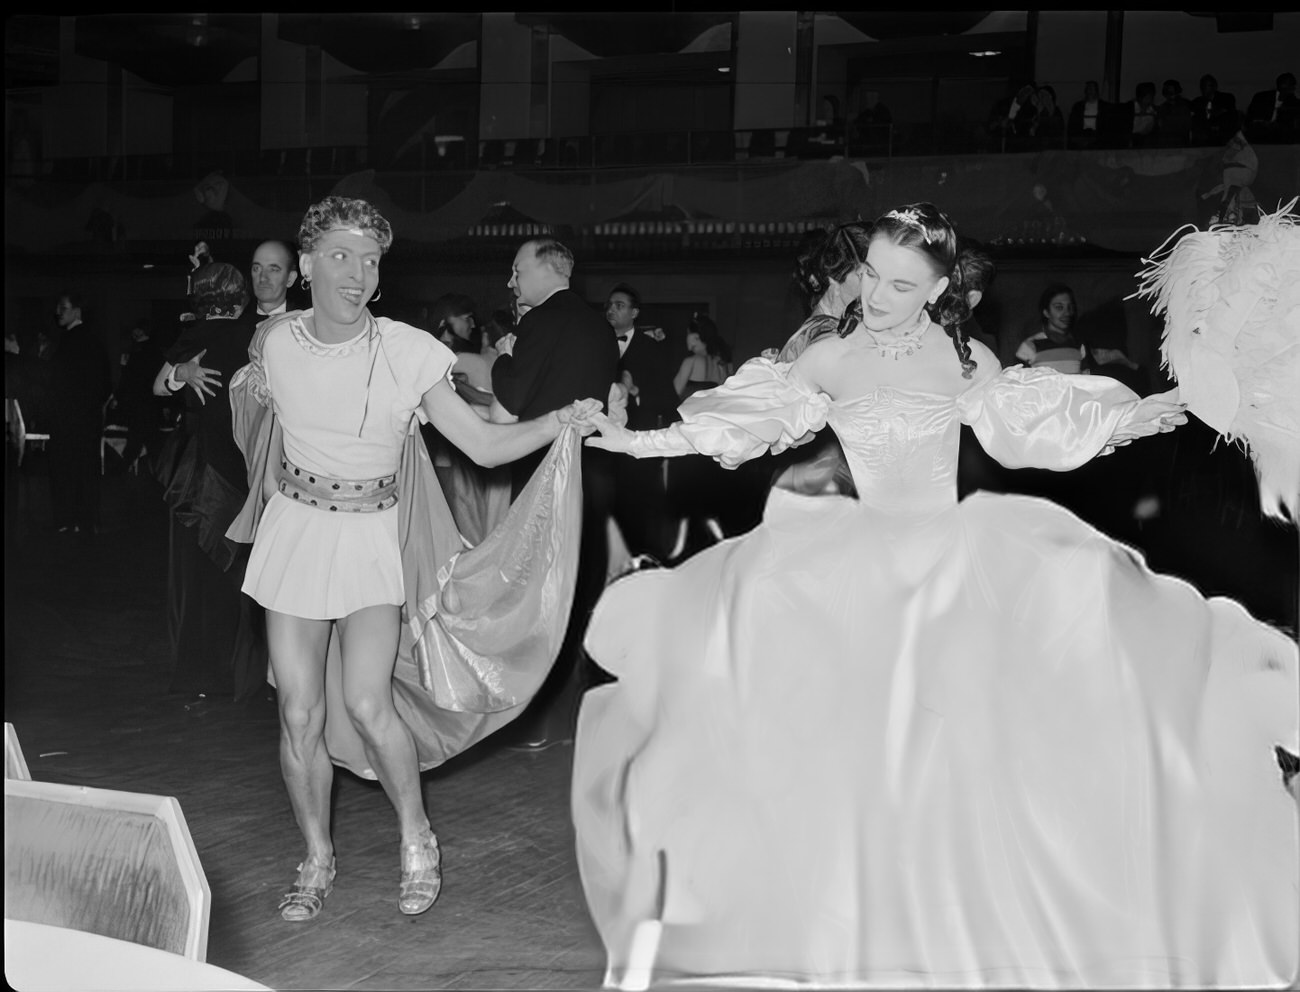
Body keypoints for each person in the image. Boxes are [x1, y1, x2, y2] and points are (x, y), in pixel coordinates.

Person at [571, 201, 1297, 987]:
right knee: (849, 761)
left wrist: (1148, 415)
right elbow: (735, 427)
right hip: (855, 576)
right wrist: (633, 439)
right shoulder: (828, 356)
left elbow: (1046, 425)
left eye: (899, 284)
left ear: (939, 289)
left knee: (961, 763)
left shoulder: (963, 360)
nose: (876, 296)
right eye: (871, 276)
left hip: (956, 572)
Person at [226, 197, 601, 922]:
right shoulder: (272, 341)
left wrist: (561, 419)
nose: (357, 274)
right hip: (296, 535)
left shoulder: (407, 350)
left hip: (370, 539)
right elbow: (259, 422)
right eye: (340, 256)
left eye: (370, 261)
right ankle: (316, 856)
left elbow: (484, 446)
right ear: (305, 265)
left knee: (369, 703)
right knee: (299, 713)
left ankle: (416, 835)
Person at [489, 237, 620, 750]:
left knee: (538, 592)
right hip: (596, 470)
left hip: (547, 472)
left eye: (517, 269)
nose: (510, 281)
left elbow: (515, 398)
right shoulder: (600, 327)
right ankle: (581, 716)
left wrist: (503, 356)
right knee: (582, 590)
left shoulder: (538, 322)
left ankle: (535, 721)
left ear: (546, 270)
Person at [150, 262, 266, 702]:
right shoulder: (257, 337)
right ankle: (248, 677)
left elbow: (159, 388)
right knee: (242, 574)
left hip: (198, 473)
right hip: (242, 468)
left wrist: (180, 374)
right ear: (240, 299)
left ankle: (201, 676)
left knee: (198, 577)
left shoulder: (194, 337)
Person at [606, 282, 678, 562]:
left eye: (619, 305)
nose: (612, 310)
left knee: (642, 503)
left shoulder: (651, 348)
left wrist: (636, 394)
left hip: (640, 434)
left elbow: (667, 396)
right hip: (603, 439)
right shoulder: (596, 342)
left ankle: (647, 556)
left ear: (634, 313)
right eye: (610, 305)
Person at [46, 293, 111, 539]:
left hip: (69, 419)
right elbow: (104, 384)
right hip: (86, 419)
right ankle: (84, 521)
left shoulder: (70, 342)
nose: (59, 312)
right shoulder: (92, 341)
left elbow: (57, 382)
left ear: (77, 311)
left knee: (67, 469)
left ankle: (69, 520)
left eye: (63, 308)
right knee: (84, 469)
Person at [1015, 283, 1086, 373]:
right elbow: (1017, 381)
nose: (1067, 313)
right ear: (1046, 312)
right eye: (1059, 307)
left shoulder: (1079, 345)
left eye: (1070, 307)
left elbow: (1087, 380)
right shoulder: (1030, 346)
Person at [1245, 72, 1299, 143]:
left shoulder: (1294, 103)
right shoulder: (1261, 97)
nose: (1286, 89)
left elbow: (1290, 124)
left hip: (1280, 134)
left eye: (1290, 86)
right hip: (1260, 130)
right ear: (1279, 86)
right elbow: (1251, 115)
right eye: (1284, 85)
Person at [1190, 73, 1237, 145]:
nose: (1204, 88)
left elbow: (1229, 116)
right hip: (1204, 138)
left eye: (1207, 85)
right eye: (1202, 86)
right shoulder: (1197, 102)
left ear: (1215, 86)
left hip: (1223, 137)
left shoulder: (1226, 98)